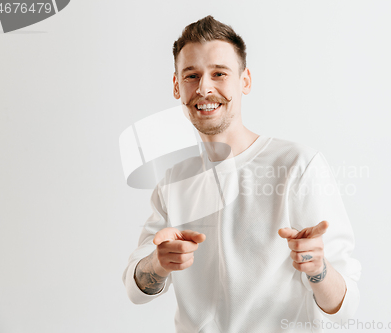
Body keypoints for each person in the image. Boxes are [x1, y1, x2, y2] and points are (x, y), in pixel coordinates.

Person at [122, 15, 361, 332]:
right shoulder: (172, 180)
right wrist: (159, 262)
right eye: (192, 76)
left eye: (219, 73)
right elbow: (135, 290)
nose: (204, 87)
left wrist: (317, 268)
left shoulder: (298, 166)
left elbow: (344, 311)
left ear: (244, 81)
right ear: (177, 87)